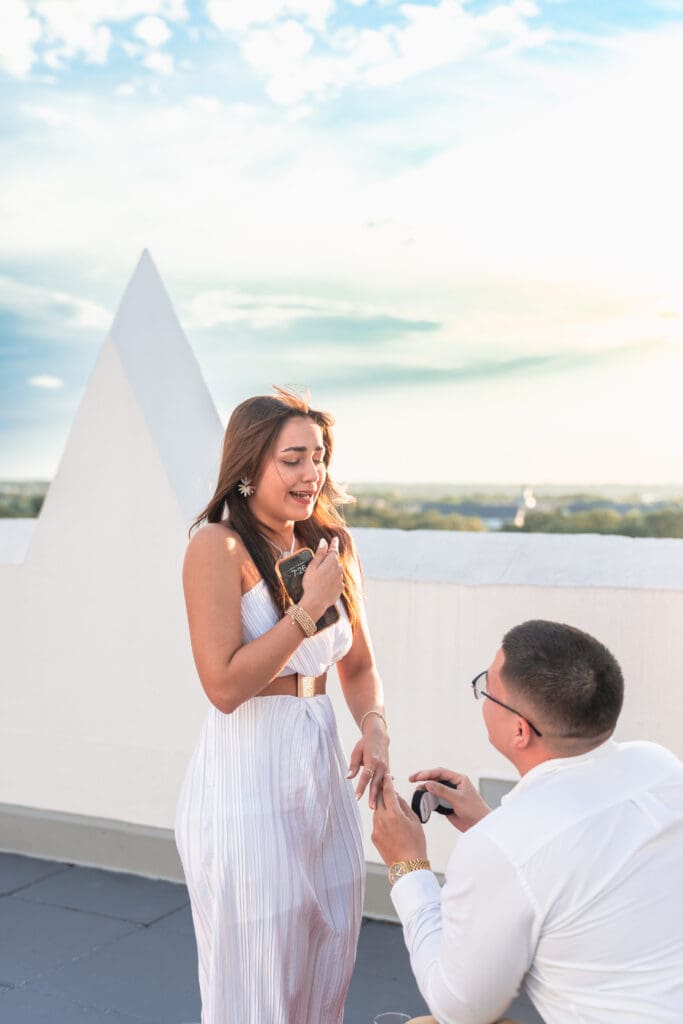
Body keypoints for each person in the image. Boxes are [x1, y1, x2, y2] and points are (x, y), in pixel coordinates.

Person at [175, 389, 389, 1023]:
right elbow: (224, 686)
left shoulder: (332, 543)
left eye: (317, 457)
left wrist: (374, 727)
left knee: (327, 962)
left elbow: (360, 664)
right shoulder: (217, 548)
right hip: (245, 782)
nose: (310, 474)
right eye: (292, 459)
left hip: (321, 776)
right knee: (258, 983)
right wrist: (304, 608)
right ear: (248, 467)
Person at [372, 619, 683, 1024]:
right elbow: (580, 856)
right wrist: (489, 824)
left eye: (487, 688)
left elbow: (457, 1008)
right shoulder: (659, 764)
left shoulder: (503, 846)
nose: (482, 695)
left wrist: (407, 865)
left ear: (520, 730)